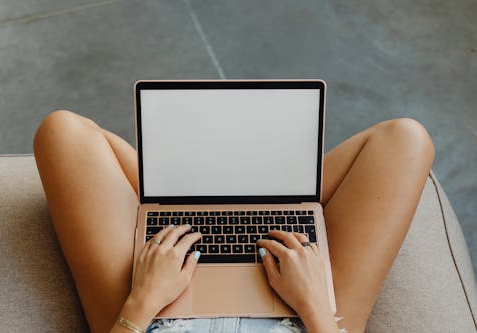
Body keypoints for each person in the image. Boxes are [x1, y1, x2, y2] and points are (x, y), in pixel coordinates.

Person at [33, 111, 434, 333]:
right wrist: (314, 306)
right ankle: (235, 195)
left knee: (62, 131)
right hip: (300, 322)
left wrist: (143, 301)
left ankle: (183, 197)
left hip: (154, 322)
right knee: (404, 138)